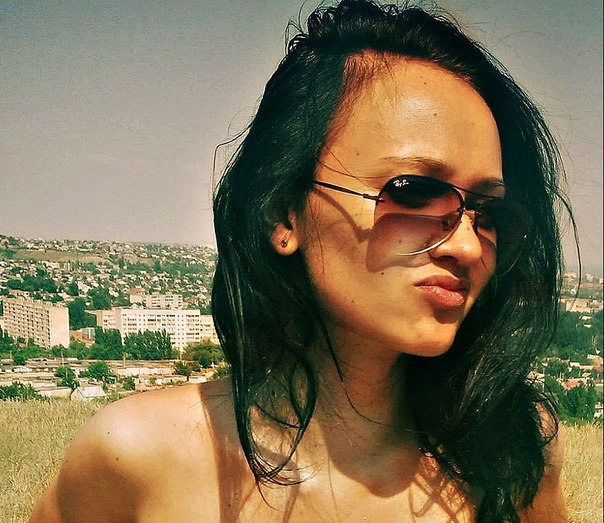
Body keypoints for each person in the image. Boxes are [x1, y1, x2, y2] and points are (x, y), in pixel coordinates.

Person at [31, 1, 571, 521]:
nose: (468, 247)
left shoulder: (512, 451)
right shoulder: (136, 457)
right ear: (282, 214)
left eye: (488, 212)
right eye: (414, 192)